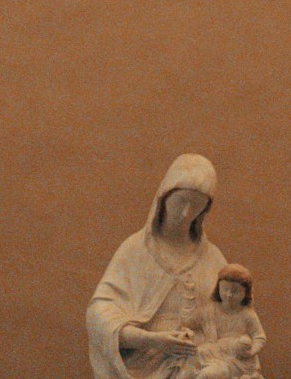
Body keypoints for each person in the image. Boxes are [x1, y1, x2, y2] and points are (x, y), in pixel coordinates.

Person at [87, 154, 226, 379]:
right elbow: (99, 315)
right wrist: (152, 340)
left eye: (196, 206)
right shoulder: (135, 251)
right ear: (164, 196)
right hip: (145, 364)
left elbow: (233, 318)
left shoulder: (213, 259)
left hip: (200, 364)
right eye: (181, 201)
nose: (185, 213)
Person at [179, 264, 266, 379]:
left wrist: (250, 352)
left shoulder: (247, 315)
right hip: (210, 354)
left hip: (234, 361)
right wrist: (189, 294)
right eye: (225, 289)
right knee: (187, 368)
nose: (229, 295)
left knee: (207, 375)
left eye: (235, 291)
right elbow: (188, 322)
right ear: (218, 288)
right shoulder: (210, 310)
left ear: (245, 293)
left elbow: (259, 336)